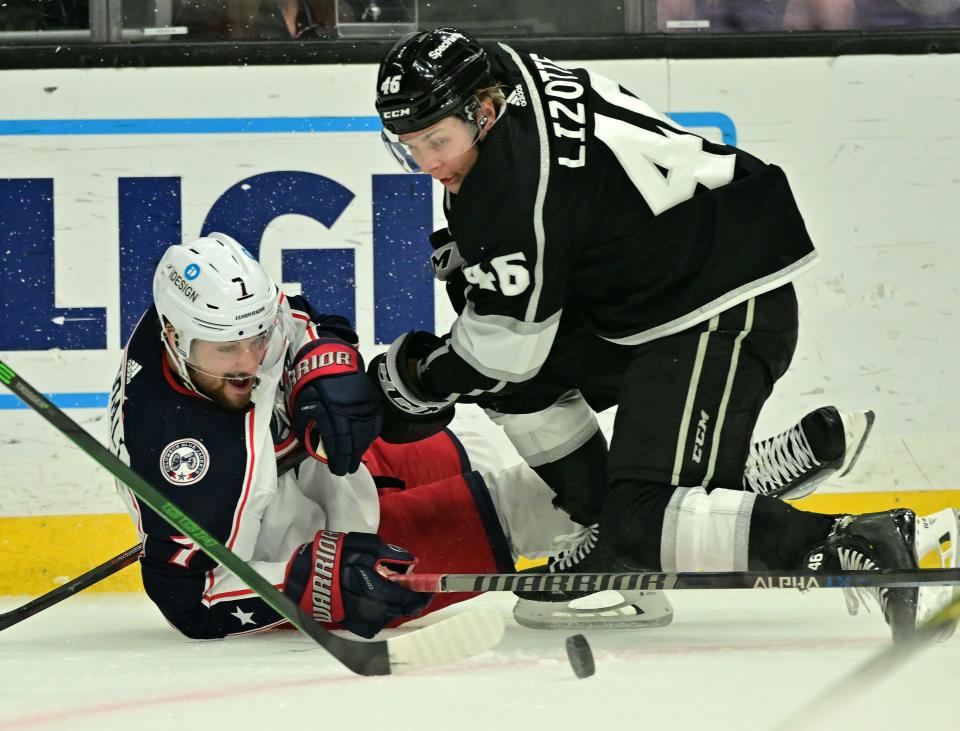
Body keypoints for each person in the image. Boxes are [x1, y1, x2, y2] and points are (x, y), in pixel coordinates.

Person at [370, 27, 959, 641]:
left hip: (722, 304)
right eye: (409, 146)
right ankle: (617, 529)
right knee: (516, 393)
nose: (428, 163)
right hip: (651, 296)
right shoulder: (495, 66)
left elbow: (502, 349)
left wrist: (410, 384)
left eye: (439, 141)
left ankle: (867, 539)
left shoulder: (511, 189)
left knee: (642, 522)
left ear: (484, 111)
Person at [108, 232, 582, 639]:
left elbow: (297, 320)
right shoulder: (178, 458)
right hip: (286, 539)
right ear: (173, 335)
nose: (250, 362)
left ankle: (606, 499)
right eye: (230, 350)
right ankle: (622, 519)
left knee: (458, 452)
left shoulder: (210, 319)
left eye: (256, 340)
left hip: (316, 464)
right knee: (500, 515)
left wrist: (323, 363)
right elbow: (189, 601)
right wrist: (301, 580)